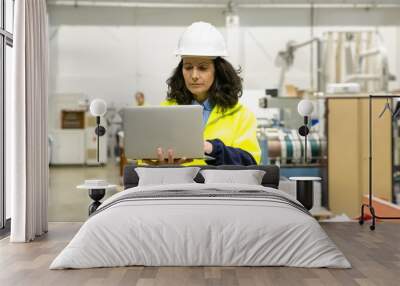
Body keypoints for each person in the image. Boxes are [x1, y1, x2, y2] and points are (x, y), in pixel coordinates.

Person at [146, 21, 261, 166]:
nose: (194, 75)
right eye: (188, 67)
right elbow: (143, 157)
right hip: (177, 187)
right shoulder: (166, 110)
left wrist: (211, 148)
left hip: (220, 188)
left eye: (202, 68)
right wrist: (157, 163)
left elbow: (251, 162)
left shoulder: (241, 115)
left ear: (217, 71)